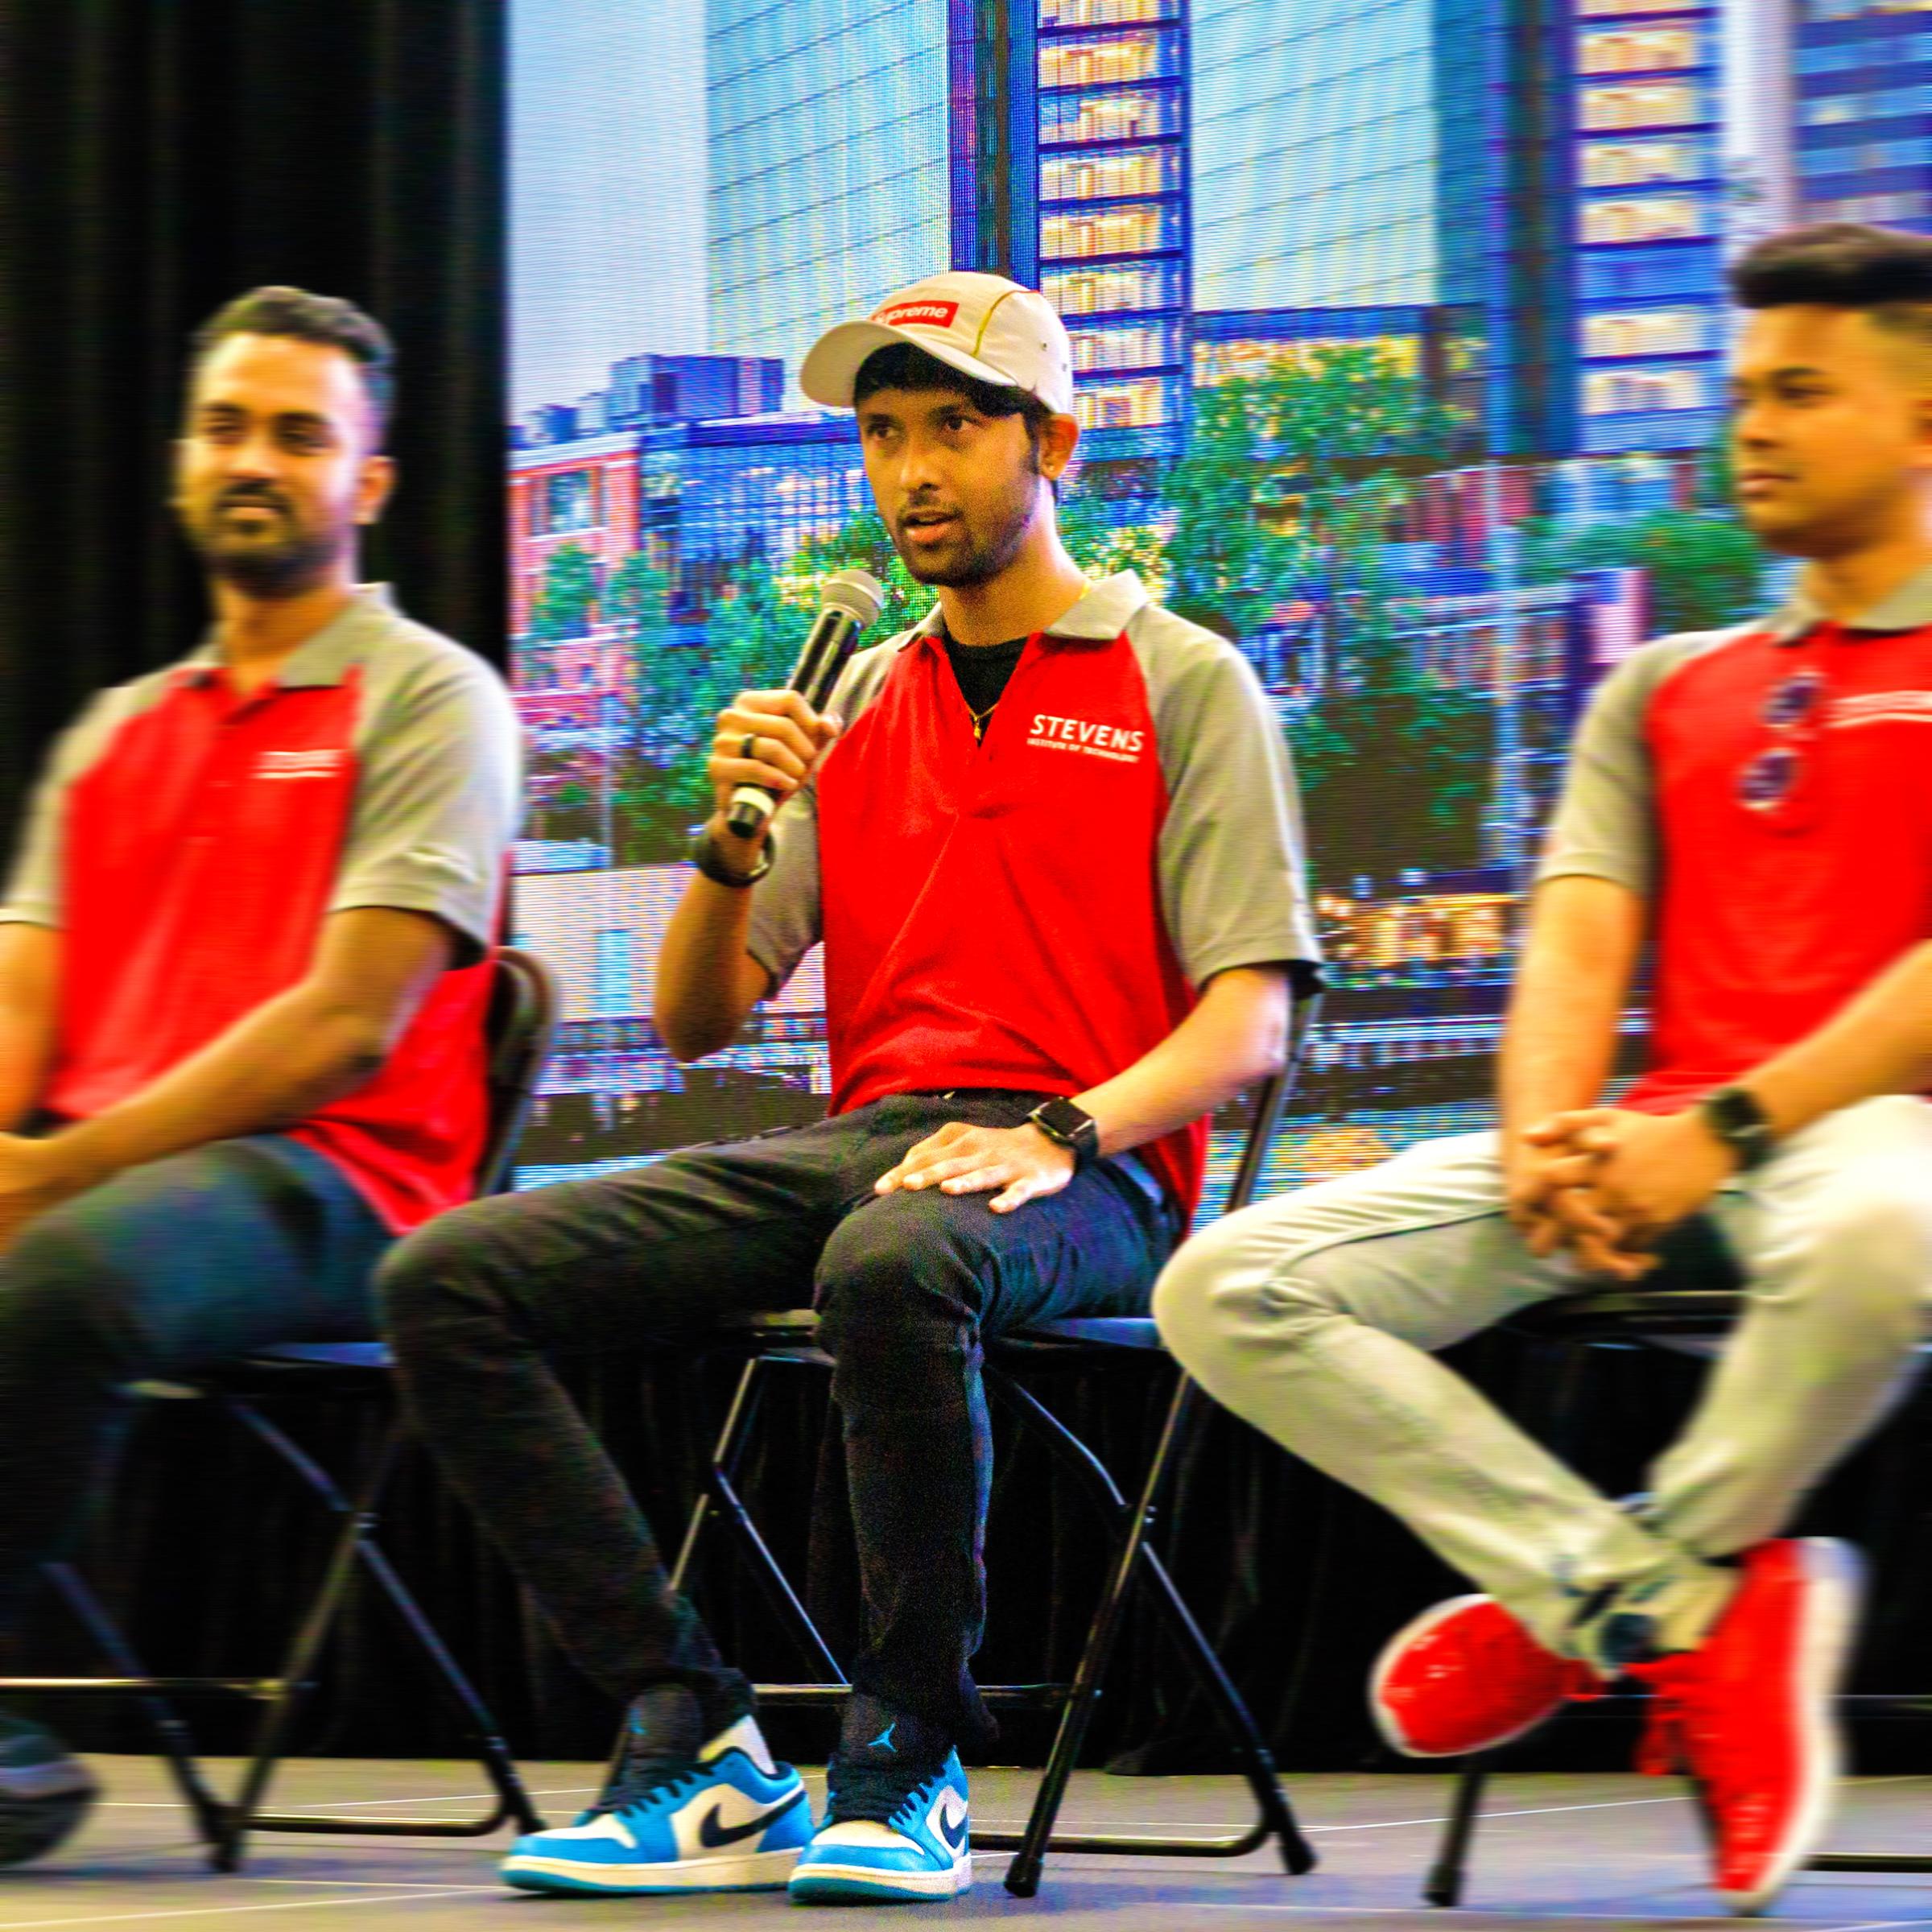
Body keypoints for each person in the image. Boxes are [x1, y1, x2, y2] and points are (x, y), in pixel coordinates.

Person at [378, 269, 1318, 1905]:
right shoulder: (858, 697)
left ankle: (905, 1757)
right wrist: (726, 847)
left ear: (1055, 443)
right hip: (876, 1146)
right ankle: (697, 1735)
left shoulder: (1181, 679)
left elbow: (1251, 1023)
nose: (912, 471)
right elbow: (696, 1021)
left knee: (891, 1265)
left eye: (954, 426)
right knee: (449, 1279)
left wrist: (1064, 1131)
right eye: (884, 434)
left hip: (1090, 1168)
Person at [1155, 221, 1932, 1917]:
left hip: (1877, 1151)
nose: (1754, 425)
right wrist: (1541, 1142)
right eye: (1745, 390)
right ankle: (1673, 1614)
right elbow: (1579, 939)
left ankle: (1596, 1607)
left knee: (1888, 1229)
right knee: (1228, 1287)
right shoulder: (1665, 687)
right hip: (1659, 1151)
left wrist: (1722, 1135)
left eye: (1804, 392)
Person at [0, 287, 519, 1864]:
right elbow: (21, 1003)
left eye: (301, 436)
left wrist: (49, 1172)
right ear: (181, 460)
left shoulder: (431, 698)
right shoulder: (117, 735)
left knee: (69, 1270)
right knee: (70, 1248)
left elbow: (343, 1027)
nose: (254, 460)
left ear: (369, 482)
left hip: (339, 1185)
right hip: (111, 1184)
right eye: (227, 427)